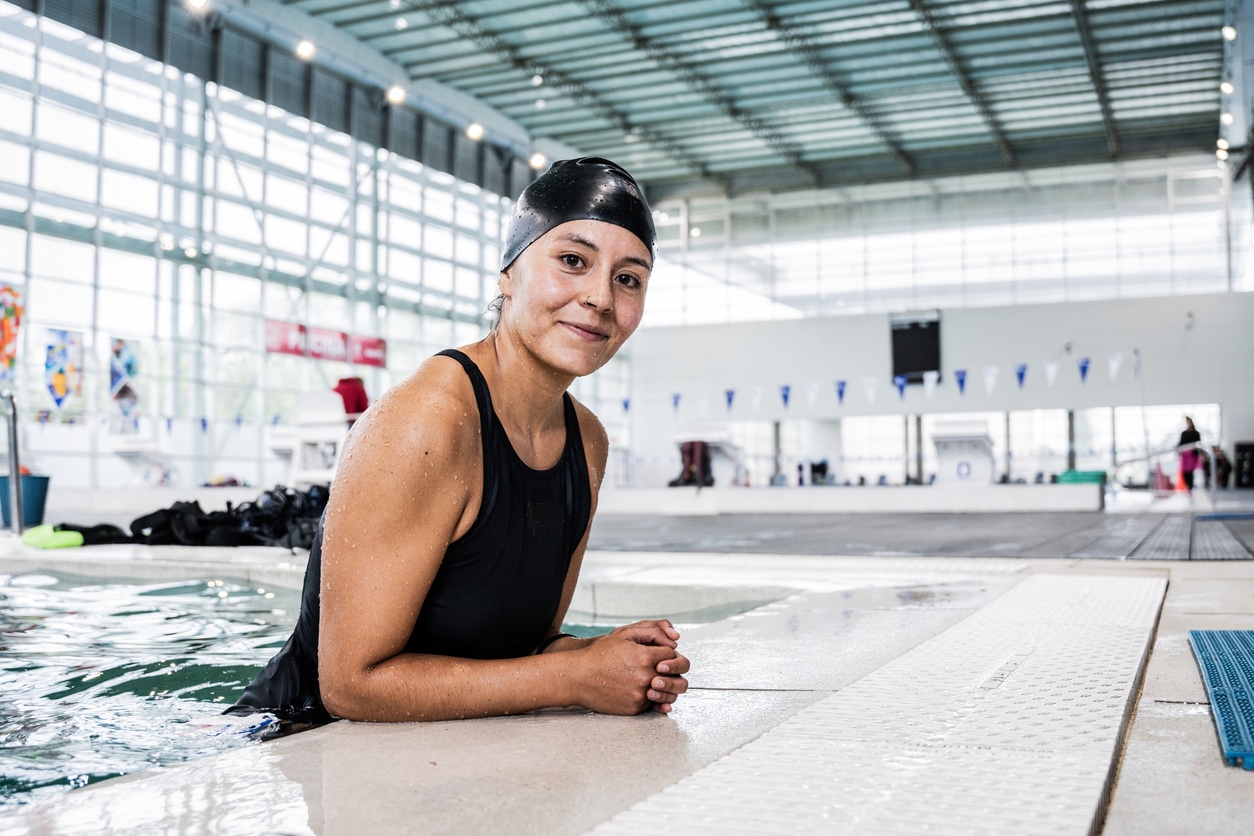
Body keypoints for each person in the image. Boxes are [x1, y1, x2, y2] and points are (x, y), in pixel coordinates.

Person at [227, 158, 688, 726]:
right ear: (508, 274)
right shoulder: (426, 420)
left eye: (628, 278)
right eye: (572, 261)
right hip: (289, 741)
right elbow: (350, 686)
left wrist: (607, 660)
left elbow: (524, 643)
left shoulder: (586, 440)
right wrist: (574, 676)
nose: (599, 297)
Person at [1177, 416, 1202, 493]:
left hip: (1192, 455)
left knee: (1190, 471)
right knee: (1184, 471)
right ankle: (1188, 487)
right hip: (1184, 455)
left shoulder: (1196, 433)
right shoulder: (1184, 433)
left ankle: (1190, 487)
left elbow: (1198, 443)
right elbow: (1180, 443)